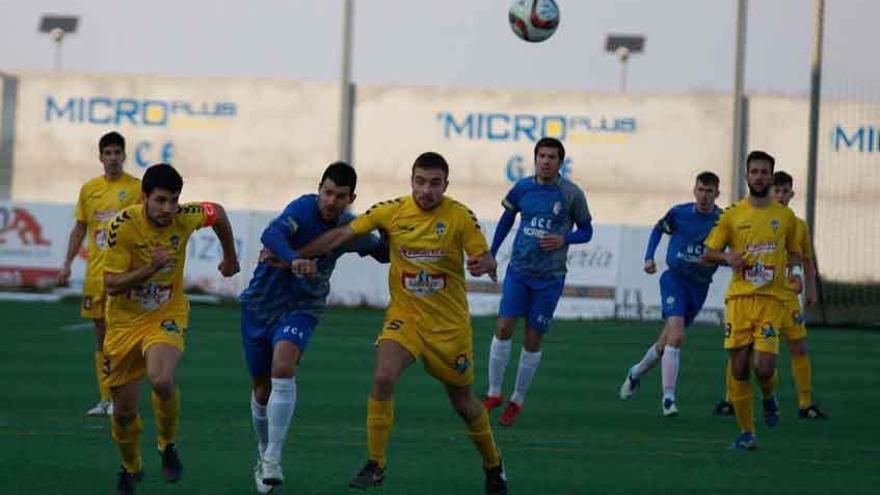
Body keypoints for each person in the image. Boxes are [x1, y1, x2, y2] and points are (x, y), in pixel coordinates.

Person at [297, 152, 508, 494]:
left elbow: (484, 258)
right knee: (382, 377)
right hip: (405, 319)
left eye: (434, 184)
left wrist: (486, 264)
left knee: (464, 403)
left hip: (448, 328)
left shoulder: (460, 217)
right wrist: (295, 255)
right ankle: (376, 463)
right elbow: (340, 236)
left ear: (446, 185)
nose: (426, 190)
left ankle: (493, 466)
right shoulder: (391, 211)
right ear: (411, 181)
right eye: (420, 182)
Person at [239, 162, 389, 493]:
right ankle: (263, 454)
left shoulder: (350, 229)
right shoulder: (303, 208)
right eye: (328, 192)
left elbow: (382, 253)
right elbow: (271, 234)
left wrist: (390, 226)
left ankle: (274, 458)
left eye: (340, 196)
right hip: (260, 304)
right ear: (319, 188)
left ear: (352, 198)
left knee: (283, 366)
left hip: (302, 308)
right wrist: (294, 259)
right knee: (261, 389)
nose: (332, 201)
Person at [102, 163, 240, 494]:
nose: (168, 209)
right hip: (123, 324)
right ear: (144, 197)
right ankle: (131, 467)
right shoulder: (122, 227)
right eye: (161, 200)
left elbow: (217, 212)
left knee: (161, 379)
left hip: (167, 313)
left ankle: (167, 445)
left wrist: (230, 256)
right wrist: (151, 267)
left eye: (174, 200)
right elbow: (111, 285)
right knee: (123, 414)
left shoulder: (185, 216)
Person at [481, 137, 593, 427]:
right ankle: (494, 393)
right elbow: (507, 219)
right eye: (541, 156)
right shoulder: (523, 187)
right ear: (535, 159)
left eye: (552, 157)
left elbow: (587, 231)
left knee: (532, 338)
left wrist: (563, 238)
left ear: (560, 162)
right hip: (519, 270)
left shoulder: (571, 194)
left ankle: (517, 399)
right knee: (503, 326)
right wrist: (492, 253)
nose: (545, 161)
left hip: (550, 278)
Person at [703, 151, 801, 450]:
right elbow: (708, 253)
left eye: (764, 172)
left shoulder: (785, 216)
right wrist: (727, 257)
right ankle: (747, 433)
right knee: (739, 369)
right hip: (739, 300)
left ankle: (769, 396)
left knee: (763, 367)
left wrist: (796, 274)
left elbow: (794, 251)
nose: (759, 176)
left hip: (771, 301)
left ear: (772, 176)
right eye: (754, 171)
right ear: (746, 176)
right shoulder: (732, 214)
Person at [713, 171, 827, 420]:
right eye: (778, 190)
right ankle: (730, 399)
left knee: (798, 347)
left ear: (792, 194)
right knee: (740, 348)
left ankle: (805, 403)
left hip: (786, 298)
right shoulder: (752, 216)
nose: (782, 195)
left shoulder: (796, 224)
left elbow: (804, 258)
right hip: (756, 295)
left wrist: (810, 286)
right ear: (770, 192)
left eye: (786, 191)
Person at [619, 171, 722, 416]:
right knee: (677, 336)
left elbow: (730, 253)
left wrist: (727, 261)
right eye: (700, 190)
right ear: (694, 190)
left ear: (717, 193)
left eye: (709, 191)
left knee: (665, 343)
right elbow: (658, 229)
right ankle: (668, 398)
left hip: (699, 286)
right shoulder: (679, 213)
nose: (704, 196)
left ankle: (636, 372)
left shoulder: (723, 220)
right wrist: (648, 257)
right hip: (674, 279)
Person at [58, 131, 142, 417]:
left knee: (122, 336)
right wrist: (67, 263)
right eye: (108, 153)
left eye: (118, 152)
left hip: (125, 276)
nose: (113, 158)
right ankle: (106, 398)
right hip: (96, 275)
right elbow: (80, 228)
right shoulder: (89, 189)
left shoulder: (136, 188)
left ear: (124, 156)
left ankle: (123, 397)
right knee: (101, 336)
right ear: (100, 157)